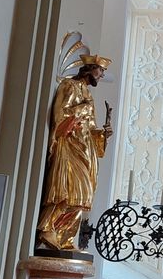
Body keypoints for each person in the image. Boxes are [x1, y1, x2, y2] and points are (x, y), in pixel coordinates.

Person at [36, 54, 113, 251]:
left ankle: (65, 237)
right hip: (70, 146)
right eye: (100, 70)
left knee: (84, 195)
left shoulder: (87, 93)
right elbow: (61, 115)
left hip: (85, 148)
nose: (102, 75)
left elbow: (91, 127)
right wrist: (83, 109)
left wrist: (103, 134)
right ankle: (47, 228)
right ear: (90, 68)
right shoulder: (69, 85)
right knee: (69, 191)